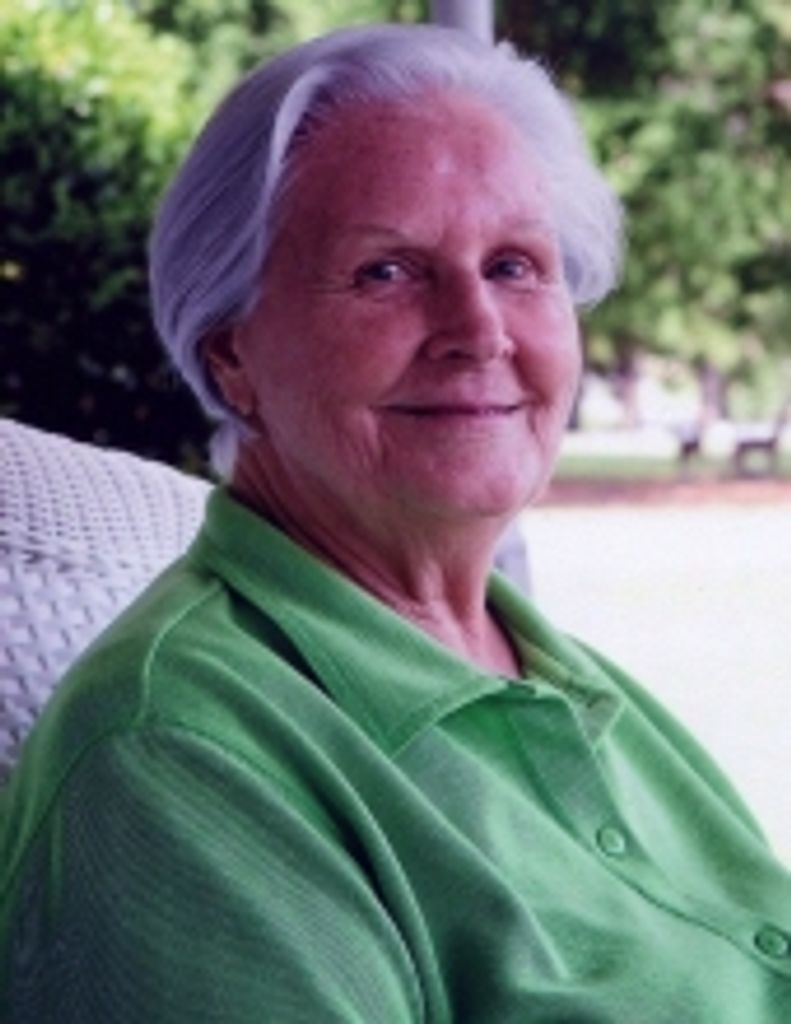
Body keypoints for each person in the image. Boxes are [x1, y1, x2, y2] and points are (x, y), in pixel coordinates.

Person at [2, 23, 789, 1022]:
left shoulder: (571, 685)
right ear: (230, 354)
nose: (478, 331)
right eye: (386, 271)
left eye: (514, 265)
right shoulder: (172, 761)